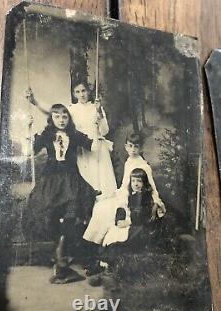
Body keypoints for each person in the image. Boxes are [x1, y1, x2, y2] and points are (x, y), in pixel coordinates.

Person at [23, 104, 99, 284]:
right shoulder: (46, 135)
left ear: (69, 119)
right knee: (50, 218)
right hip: (51, 181)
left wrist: (97, 125)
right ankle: (61, 261)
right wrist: (28, 129)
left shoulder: (74, 134)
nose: (61, 120)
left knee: (70, 219)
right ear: (52, 119)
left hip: (72, 182)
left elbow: (93, 146)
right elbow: (31, 152)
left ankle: (62, 264)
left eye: (65, 116)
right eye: (57, 117)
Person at [26, 82, 117, 196]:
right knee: (87, 183)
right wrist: (35, 102)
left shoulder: (96, 108)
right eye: (78, 92)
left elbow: (105, 131)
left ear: (88, 91)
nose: (81, 94)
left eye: (84, 90)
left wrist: (99, 113)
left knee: (102, 183)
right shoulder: (72, 109)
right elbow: (52, 111)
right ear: (74, 94)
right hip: (81, 148)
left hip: (96, 147)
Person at [83, 132, 166, 245]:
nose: (133, 150)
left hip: (134, 199)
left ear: (141, 147)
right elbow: (125, 184)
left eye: (136, 146)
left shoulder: (144, 166)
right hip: (124, 194)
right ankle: (92, 241)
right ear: (126, 147)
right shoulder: (129, 162)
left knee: (107, 210)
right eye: (130, 146)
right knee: (100, 205)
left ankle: (101, 243)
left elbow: (151, 187)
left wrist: (156, 202)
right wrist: (115, 194)